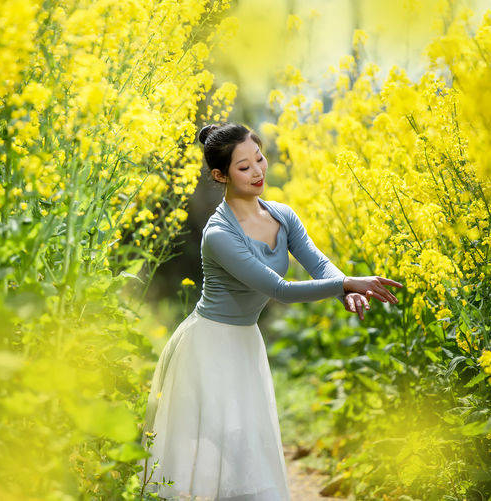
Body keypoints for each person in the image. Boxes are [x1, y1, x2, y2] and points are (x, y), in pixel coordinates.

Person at [140, 123, 403, 500]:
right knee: (206, 453)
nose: (258, 171)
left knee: (245, 441)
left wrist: (343, 285)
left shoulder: (282, 215)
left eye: (259, 159)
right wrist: (345, 285)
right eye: (244, 167)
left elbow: (320, 265)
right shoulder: (219, 234)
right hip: (207, 346)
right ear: (220, 175)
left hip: (246, 341)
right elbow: (279, 290)